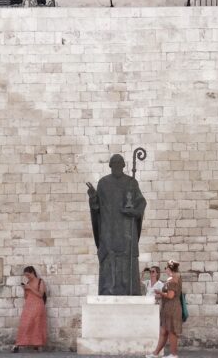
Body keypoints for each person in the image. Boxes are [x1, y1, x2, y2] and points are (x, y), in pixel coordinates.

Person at [87, 153, 147, 295]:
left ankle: (129, 290)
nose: (117, 167)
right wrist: (93, 198)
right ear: (110, 166)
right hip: (108, 228)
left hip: (126, 228)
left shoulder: (131, 182)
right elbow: (97, 209)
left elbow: (141, 202)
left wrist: (134, 212)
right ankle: (109, 289)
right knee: (109, 256)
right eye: (114, 165)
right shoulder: (103, 183)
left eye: (119, 164)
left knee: (126, 257)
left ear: (123, 166)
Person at [147, 260, 182, 358]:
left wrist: (160, 293)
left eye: (166, 268)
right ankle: (155, 354)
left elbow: (171, 296)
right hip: (168, 308)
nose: (165, 270)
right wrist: (160, 295)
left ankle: (174, 355)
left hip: (172, 308)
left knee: (171, 331)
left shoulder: (173, 279)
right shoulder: (173, 278)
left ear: (169, 269)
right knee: (164, 331)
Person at [13, 266, 47, 352]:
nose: (27, 277)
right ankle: (18, 344)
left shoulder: (40, 281)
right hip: (28, 306)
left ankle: (36, 344)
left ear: (32, 272)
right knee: (25, 324)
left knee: (36, 325)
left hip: (38, 306)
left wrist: (30, 288)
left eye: (28, 275)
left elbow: (40, 295)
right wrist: (25, 289)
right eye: (25, 276)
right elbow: (26, 297)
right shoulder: (28, 282)